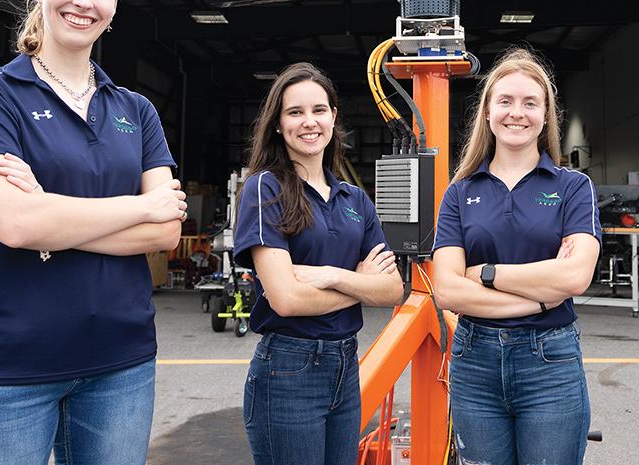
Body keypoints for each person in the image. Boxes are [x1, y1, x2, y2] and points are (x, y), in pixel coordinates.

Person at [0, 0, 186, 465]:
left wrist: (53, 211)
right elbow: (16, 224)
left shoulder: (137, 109)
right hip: (9, 365)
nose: (84, 1)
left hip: (121, 360)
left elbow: (166, 234)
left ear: (114, 6)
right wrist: (140, 206)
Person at [431, 47, 601, 464]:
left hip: (550, 361)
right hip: (475, 363)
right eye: (505, 101)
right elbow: (448, 290)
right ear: (487, 112)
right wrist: (540, 296)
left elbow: (575, 277)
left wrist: (486, 273)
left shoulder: (573, 187)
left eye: (530, 103)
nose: (516, 113)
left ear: (546, 116)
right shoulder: (460, 191)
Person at [233, 62, 404, 465]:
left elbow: (393, 289)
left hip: (346, 365)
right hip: (288, 369)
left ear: (333, 118)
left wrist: (332, 276)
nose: (308, 122)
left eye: (318, 110)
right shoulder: (265, 188)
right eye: (295, 113)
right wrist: (360, 285)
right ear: (278, 124)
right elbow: (287, 300)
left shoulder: (354, 200)